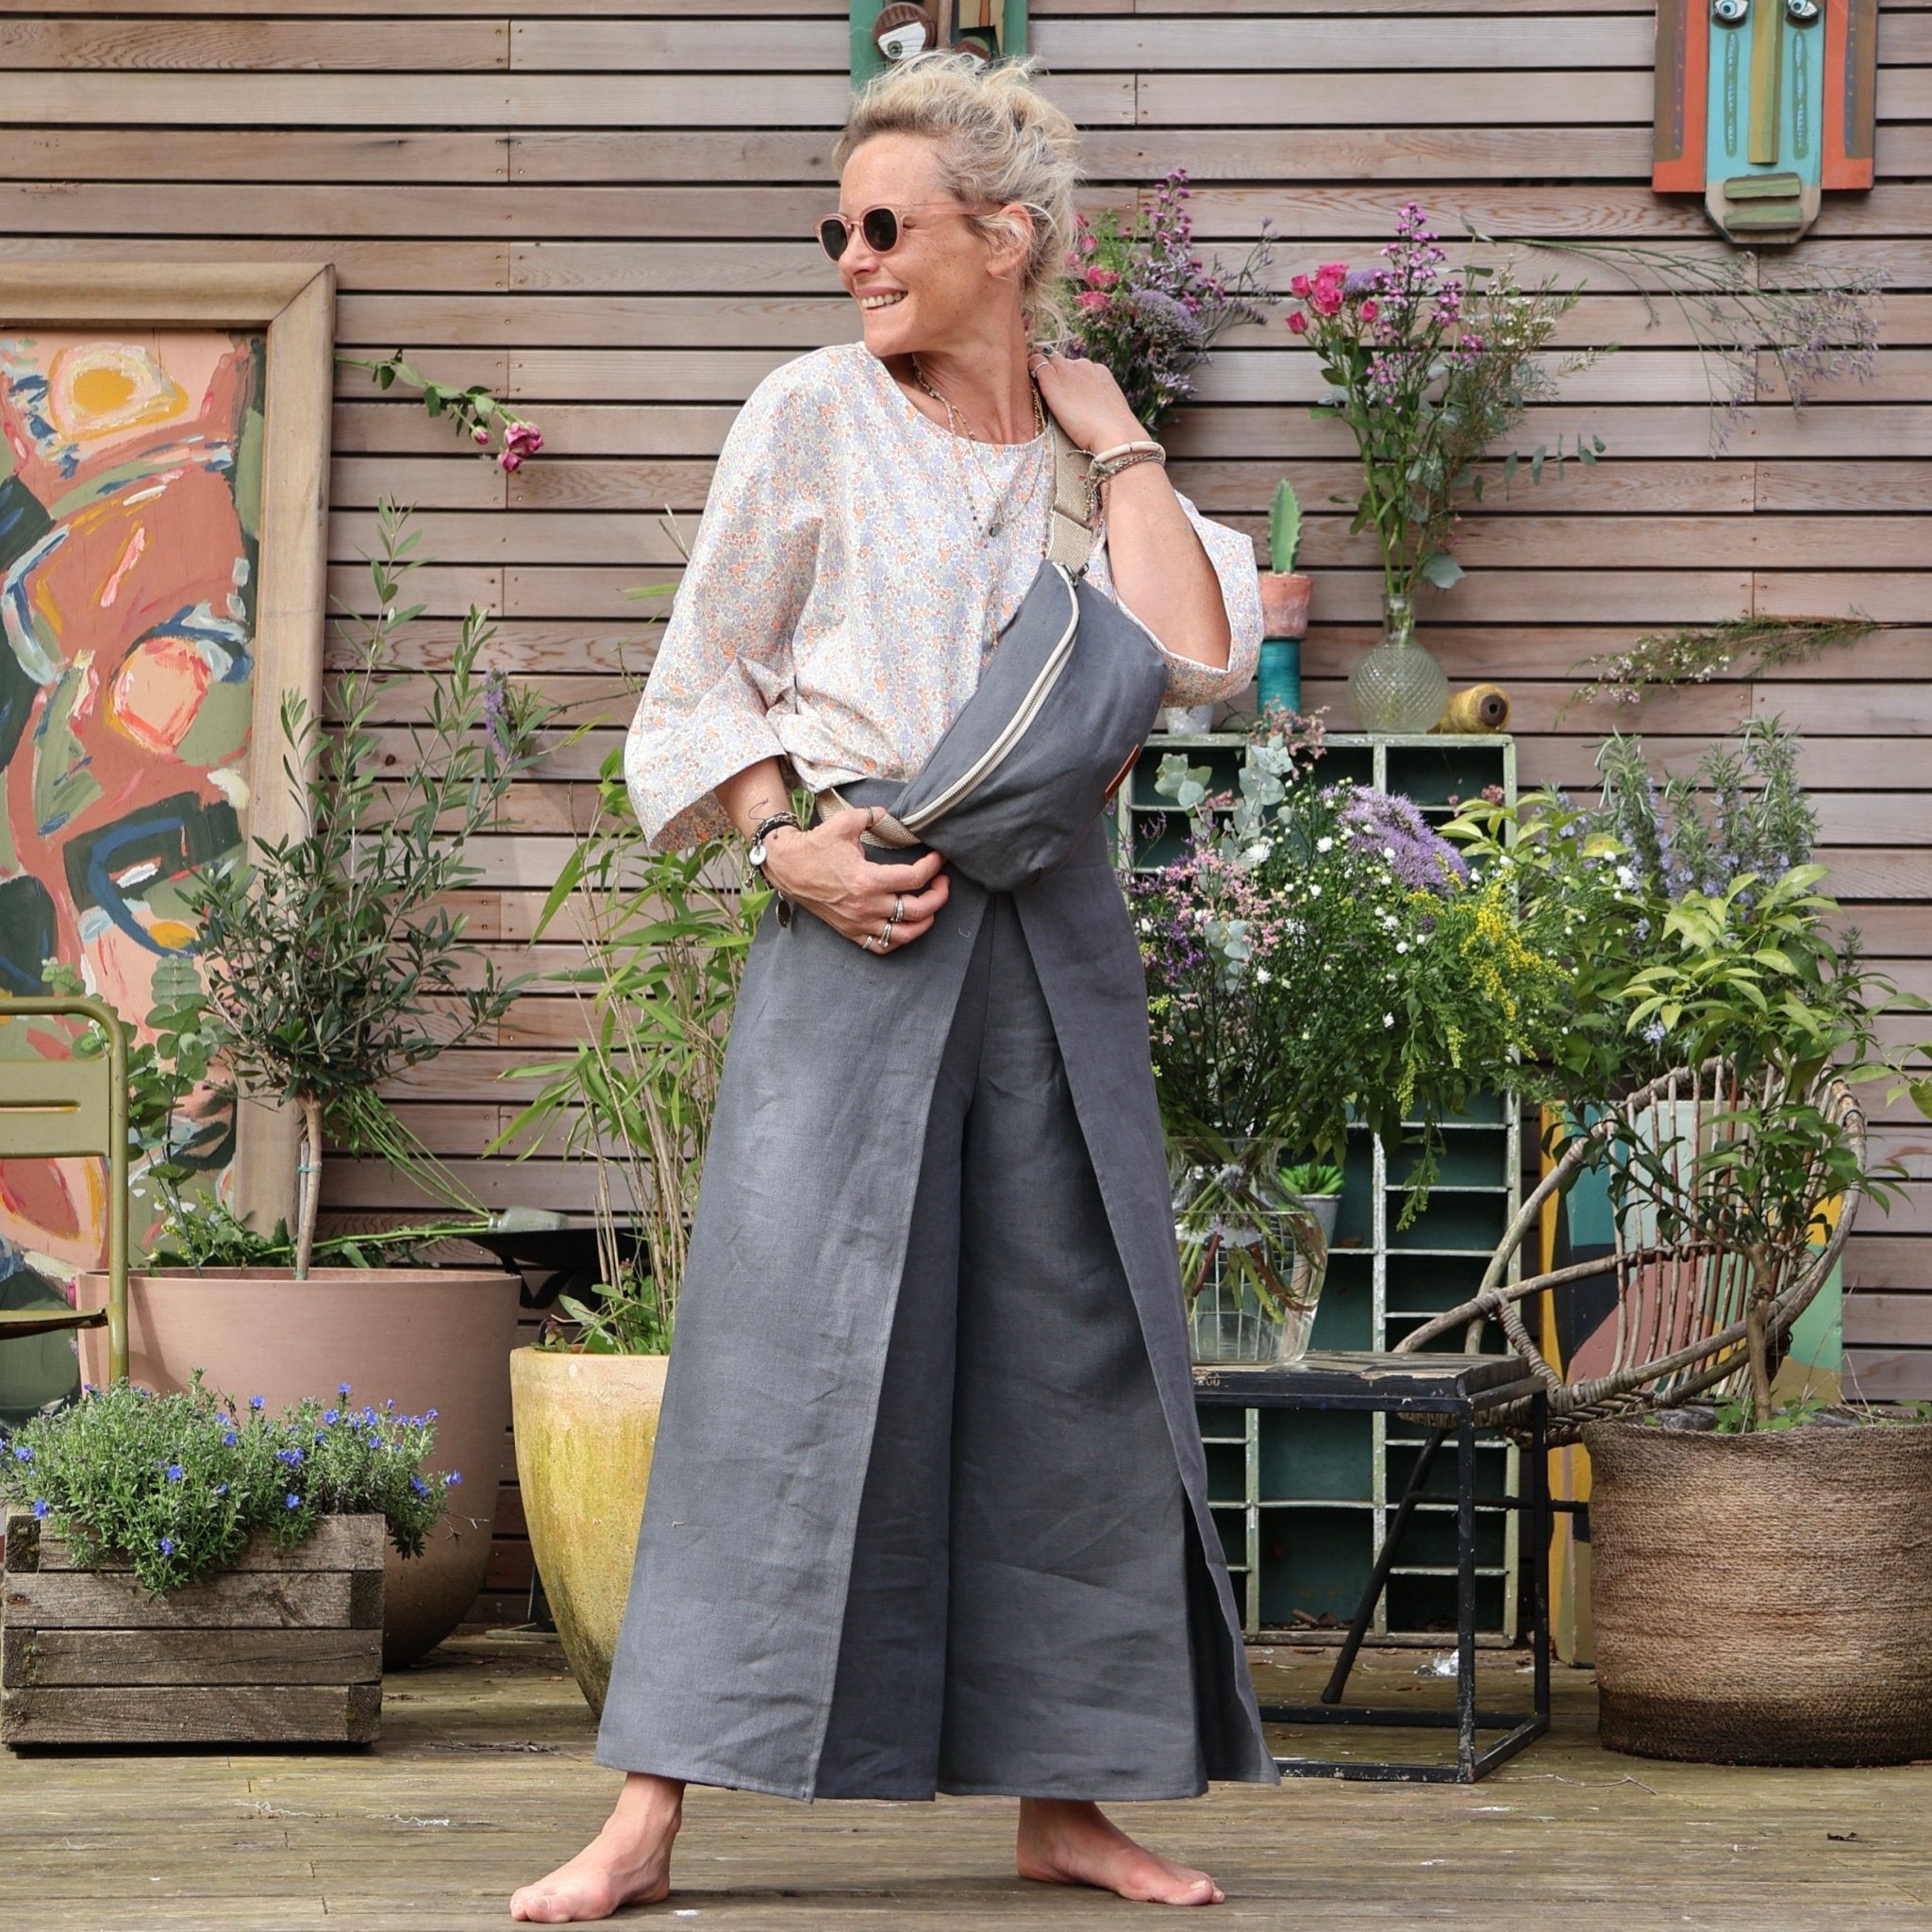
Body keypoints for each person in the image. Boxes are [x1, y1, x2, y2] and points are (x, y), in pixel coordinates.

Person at [509, 51, 1274, 1925]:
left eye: (880, 224)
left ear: (1003, 237)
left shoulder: (1090, 455)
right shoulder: (810, 413)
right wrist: (784, 849)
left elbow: (1196, 663)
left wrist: (1120, 437)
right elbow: (704, 678)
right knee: (775, 1357)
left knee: (1076, 1361)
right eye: (833, 230)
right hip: (863, 917)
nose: (849, 258)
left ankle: (1066, 1801)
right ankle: (647, 1817)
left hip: (1056, 937)